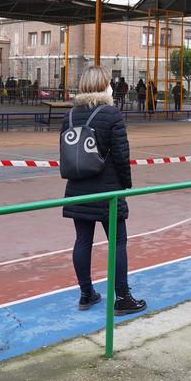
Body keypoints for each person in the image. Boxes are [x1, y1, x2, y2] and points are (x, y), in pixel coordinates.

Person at [61, 66, 146, 315]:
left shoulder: (70, 115)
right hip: (108, 188)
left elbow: (65, 154)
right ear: (104, 85)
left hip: (77, 188)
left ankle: (86, 294)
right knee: (118, 242)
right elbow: (121, 154)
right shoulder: (111, 114)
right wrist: (125, 184)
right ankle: (122, 297)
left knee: (82, 240)